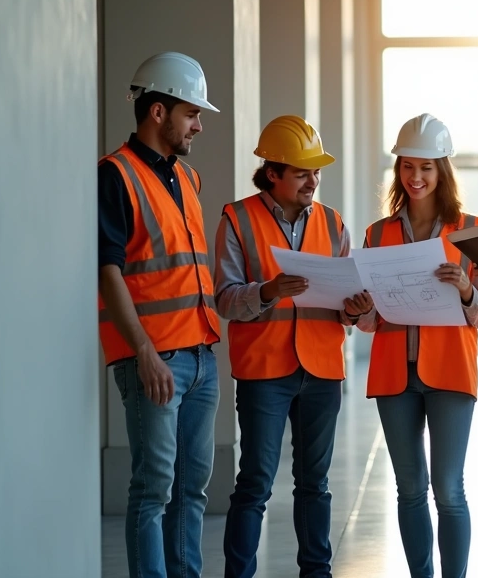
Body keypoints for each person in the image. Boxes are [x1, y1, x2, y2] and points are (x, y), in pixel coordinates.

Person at [214, 114, 372, 578]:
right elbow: (225, 298)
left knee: (314, 484)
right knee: (255, 484)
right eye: (302, 172)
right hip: (265, 370)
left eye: (316, 171)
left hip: (322, 369)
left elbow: (347, 308)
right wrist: (267, 291)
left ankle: (316, 573)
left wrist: (356, 308)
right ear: (272, 172)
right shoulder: (237, 219)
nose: (313, 181)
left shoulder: (332, 222)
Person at [98, 51, 223, 578]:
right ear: (157, 112)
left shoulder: (187, 179)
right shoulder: (114, 175)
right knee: (153, 489)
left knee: (191, 489)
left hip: (200, 356)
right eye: (191, 113)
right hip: (155, 360)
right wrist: (144, 353)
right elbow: (106, 272)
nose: (197, 125)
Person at [354, 113, 478, 578]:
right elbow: (372, 322)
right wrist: (358, 310)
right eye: (407, 167)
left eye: (426, 168)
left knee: (448, 490)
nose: (415, 177)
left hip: (451, 374)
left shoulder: (470, 231)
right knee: (409, 488)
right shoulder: (377, 235)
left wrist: (466, 290)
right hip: (395, 376)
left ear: (442, 172)